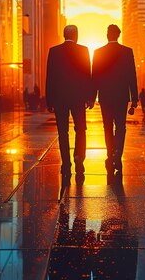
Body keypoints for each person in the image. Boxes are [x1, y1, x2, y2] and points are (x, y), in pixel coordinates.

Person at [45, 25, 94, 186]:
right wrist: (90, 97)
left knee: (63, 132)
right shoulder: (83, 50)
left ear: (64, 35)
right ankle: (79, 158)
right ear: (76, 35)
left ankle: (66, 163)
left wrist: (49, 100)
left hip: (60, 99)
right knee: (81, 129)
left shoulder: (54, 51)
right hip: (79, 98)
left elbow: (50, 77)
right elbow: (88, 75)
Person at [92, 24, 138, 180]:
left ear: (107, 35)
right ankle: (118, 151)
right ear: (118, 35)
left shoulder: (98, 52)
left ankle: (110, 153)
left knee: (107, 127)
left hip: (105, 97)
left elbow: (95, 77)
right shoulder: (127, 52)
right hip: (121, 97)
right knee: (121, 126)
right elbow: (132, 76)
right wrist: (135, 99)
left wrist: (92, 97)